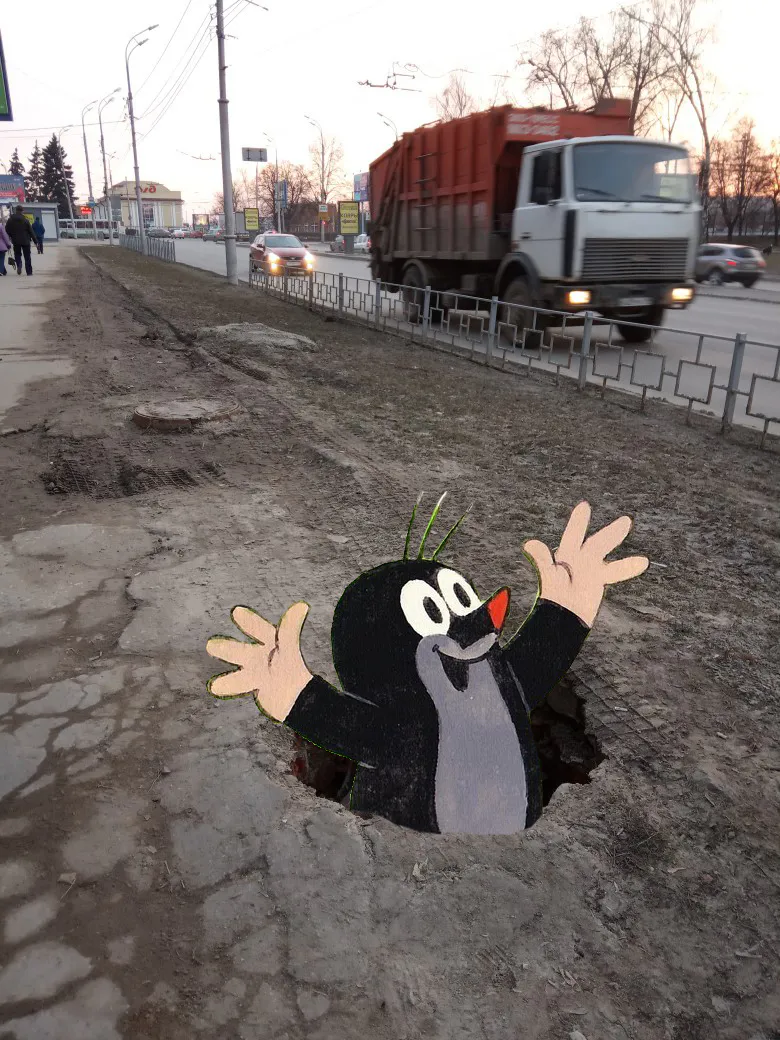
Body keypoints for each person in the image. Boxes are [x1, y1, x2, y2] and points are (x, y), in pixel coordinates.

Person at [5, 205, 38, 276]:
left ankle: (19, 264)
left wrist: (11, 236)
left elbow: (7, 230)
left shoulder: (10, 220)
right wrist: (35, 241)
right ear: (22, 211)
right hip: (26, 241)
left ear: (16, 211)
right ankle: (29, 272)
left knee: (17, 254)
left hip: (15, 241)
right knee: (27, 256)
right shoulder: (25, 220)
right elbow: (31, 231)